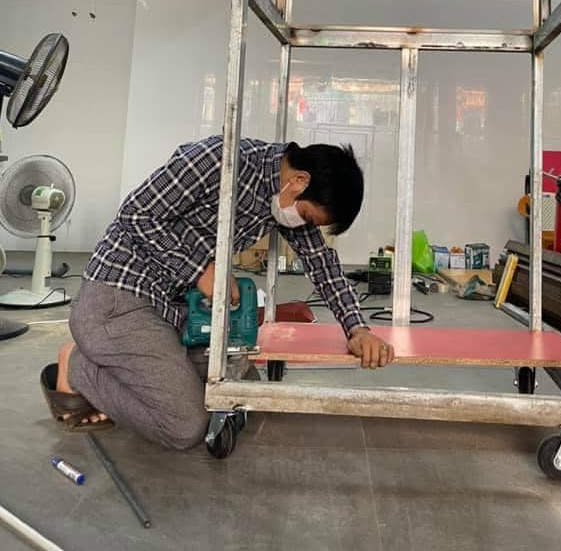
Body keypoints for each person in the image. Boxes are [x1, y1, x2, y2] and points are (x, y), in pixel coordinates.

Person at [40, 137, 395, 449]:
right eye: (306, 215)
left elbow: (324, 266)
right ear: (299, 181)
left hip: (172, 310)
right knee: (184, 426)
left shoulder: (284, 200)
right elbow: (136, 215)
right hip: (120, 297)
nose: (301, 225)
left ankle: (119, 368)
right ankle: (79, 365)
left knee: (240, 385)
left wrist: (358, 329)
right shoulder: (219, 160)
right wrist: (200, 270)